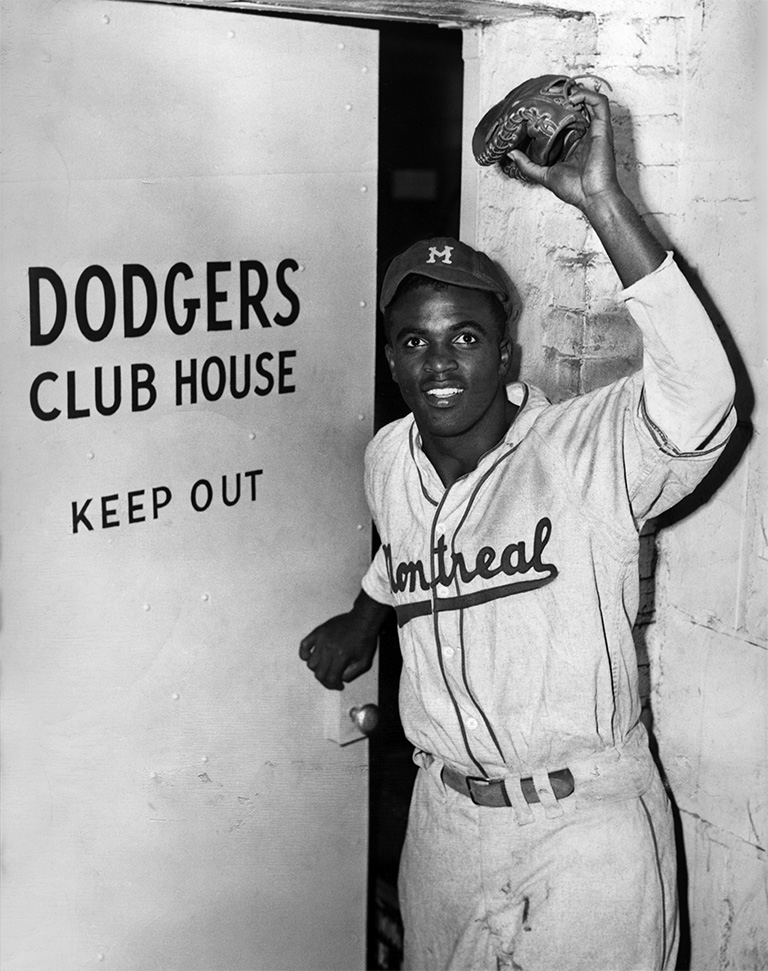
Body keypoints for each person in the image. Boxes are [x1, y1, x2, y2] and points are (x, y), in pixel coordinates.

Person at [299, 86, 735, 971]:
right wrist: (367, 613)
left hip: (586, 826)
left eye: (464, 338)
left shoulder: (586, 449)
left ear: (506, 354)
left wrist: (603, 201)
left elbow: (703, 399)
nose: (437, 362)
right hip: (445, 825)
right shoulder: (390, 458)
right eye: (414, 342)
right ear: (390, 358)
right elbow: (406, 547)